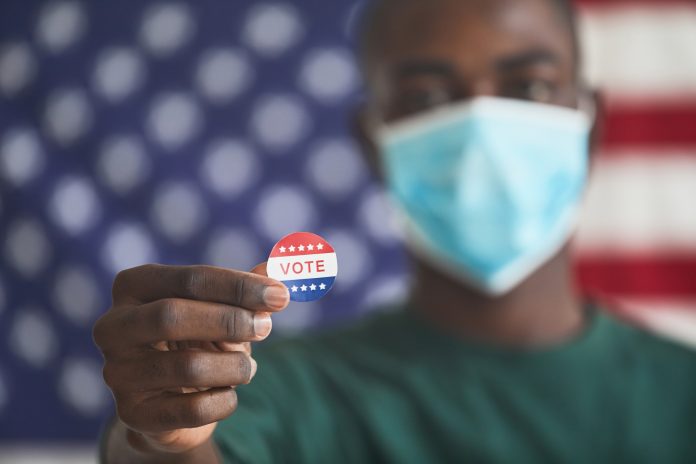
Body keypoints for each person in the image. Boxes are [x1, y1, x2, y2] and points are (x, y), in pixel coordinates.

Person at [93, 0, 696, 462]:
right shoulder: (282, 390)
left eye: (529, 87)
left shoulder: (681, 396)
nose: (480, 126)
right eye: (426, 96)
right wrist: (163, 433)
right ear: (373, 142)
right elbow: (186, 444)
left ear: (590, 125)